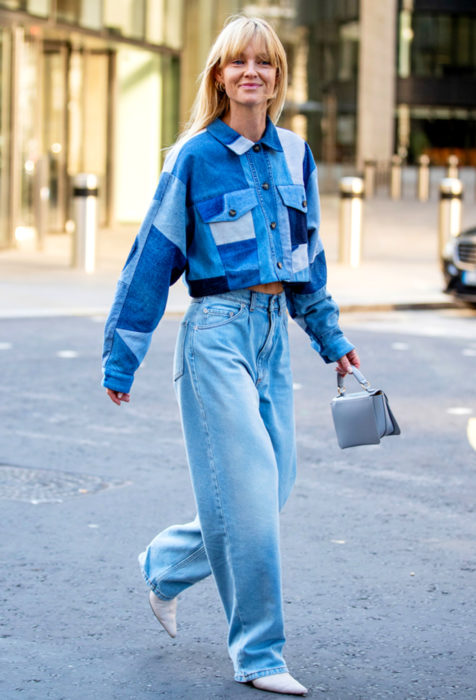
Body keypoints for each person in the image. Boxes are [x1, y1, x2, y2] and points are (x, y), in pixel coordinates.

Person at [102, 15, 360, 696]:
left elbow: (308, 264)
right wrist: (121, 356)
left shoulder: (297, 154)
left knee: (270, 490)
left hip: (274, 332)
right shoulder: (192, 157)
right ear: (218, 75)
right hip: (216, 333)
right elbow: (150, 259)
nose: (252, 73)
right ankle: (260, 655)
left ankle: (164, 565)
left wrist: (332, 341)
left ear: (279, 77)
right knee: (246, 503)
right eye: (238, 62)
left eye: (265, 63)